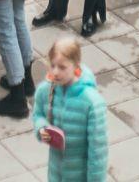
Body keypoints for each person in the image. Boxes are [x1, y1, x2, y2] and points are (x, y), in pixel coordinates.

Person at [33, 37, 108, 182]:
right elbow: (38, 115)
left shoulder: (92, 103)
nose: (55, 72)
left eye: (62, 67)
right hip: (55, 173)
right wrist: (41, 129)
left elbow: (98, 152)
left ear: (76, 66)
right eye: (52, 65)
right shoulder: (46, 89)